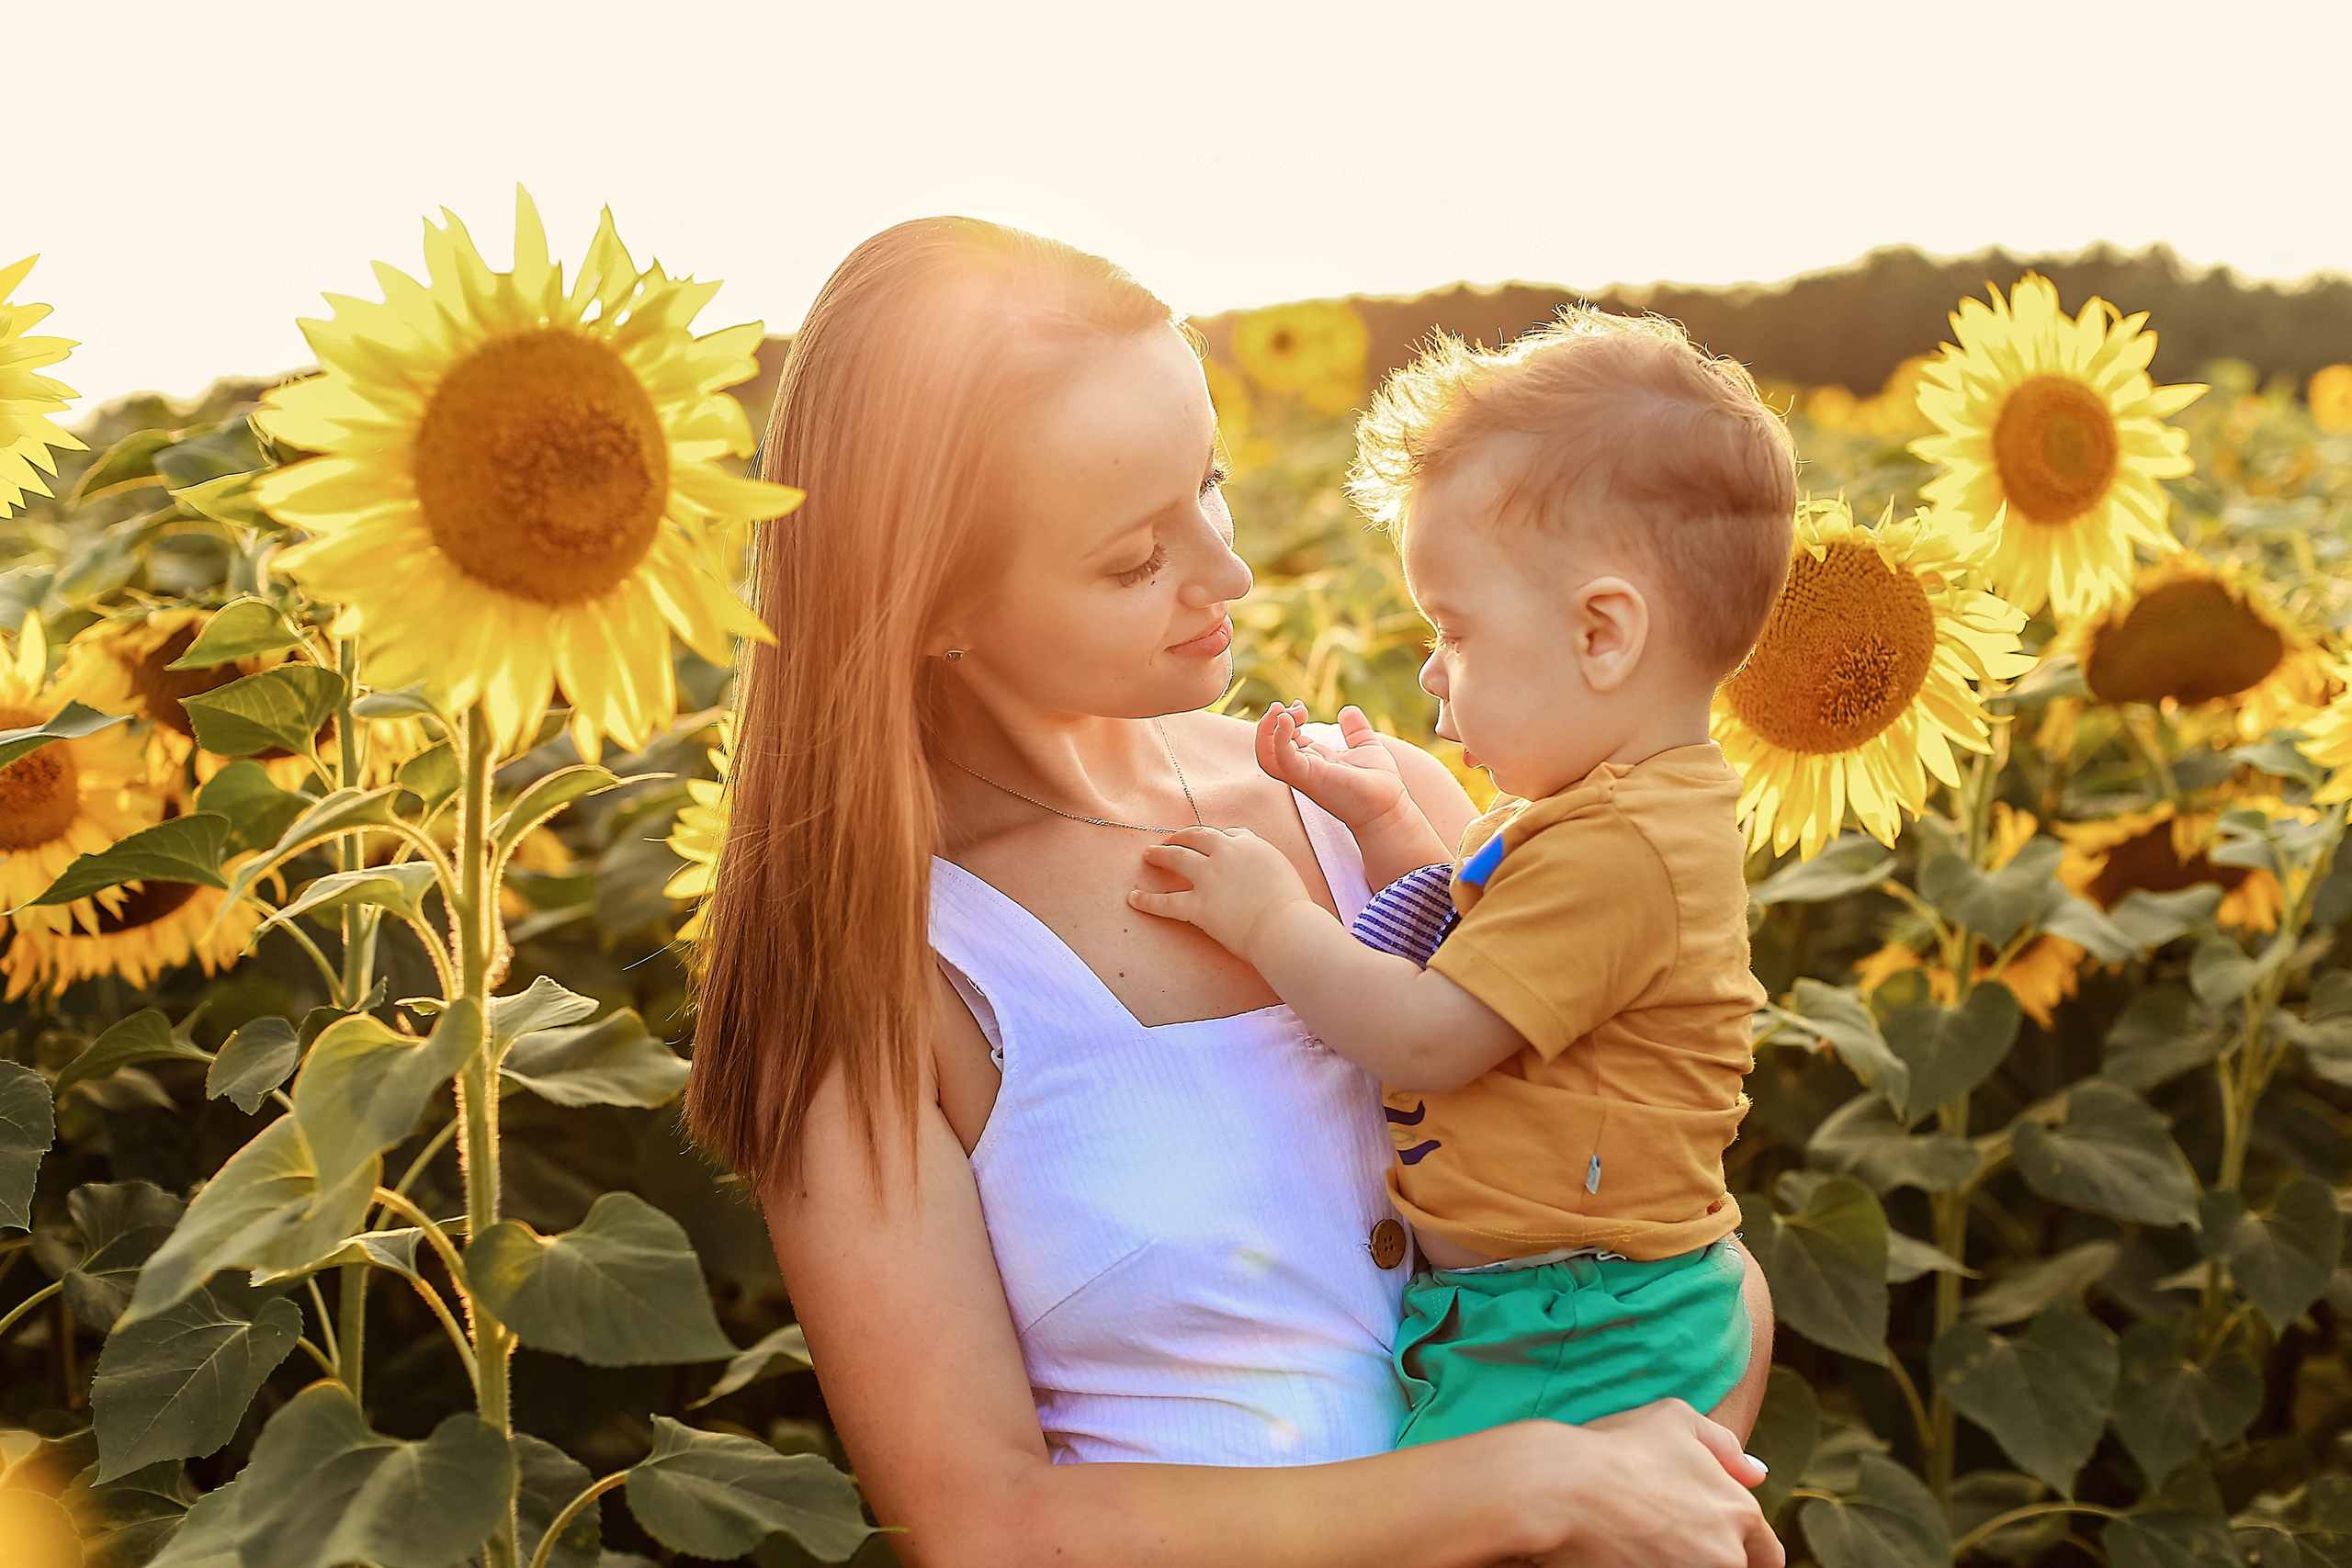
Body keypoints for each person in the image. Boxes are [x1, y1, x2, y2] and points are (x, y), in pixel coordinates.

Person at [685, 216, 1783, 1568]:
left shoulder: (1356, 806)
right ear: (932, 604)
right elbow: (985, 1526)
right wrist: (1530, 1486)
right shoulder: (870, 974)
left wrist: (1682, 1406)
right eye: (1135, 556)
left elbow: (1646, 1217)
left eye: (1208, 483)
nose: (1230, 576)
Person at [1126, 310, 1798, 1451]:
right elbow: (1474, 936)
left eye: (1456, 630)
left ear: (1602, 635)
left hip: (1581, 1332)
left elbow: (1432, 1034)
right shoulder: (1602, 814)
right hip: (1549, 1308)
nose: (1432, 669)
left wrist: (1270, 919)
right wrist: (1386, 817)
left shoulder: (1623, 848)